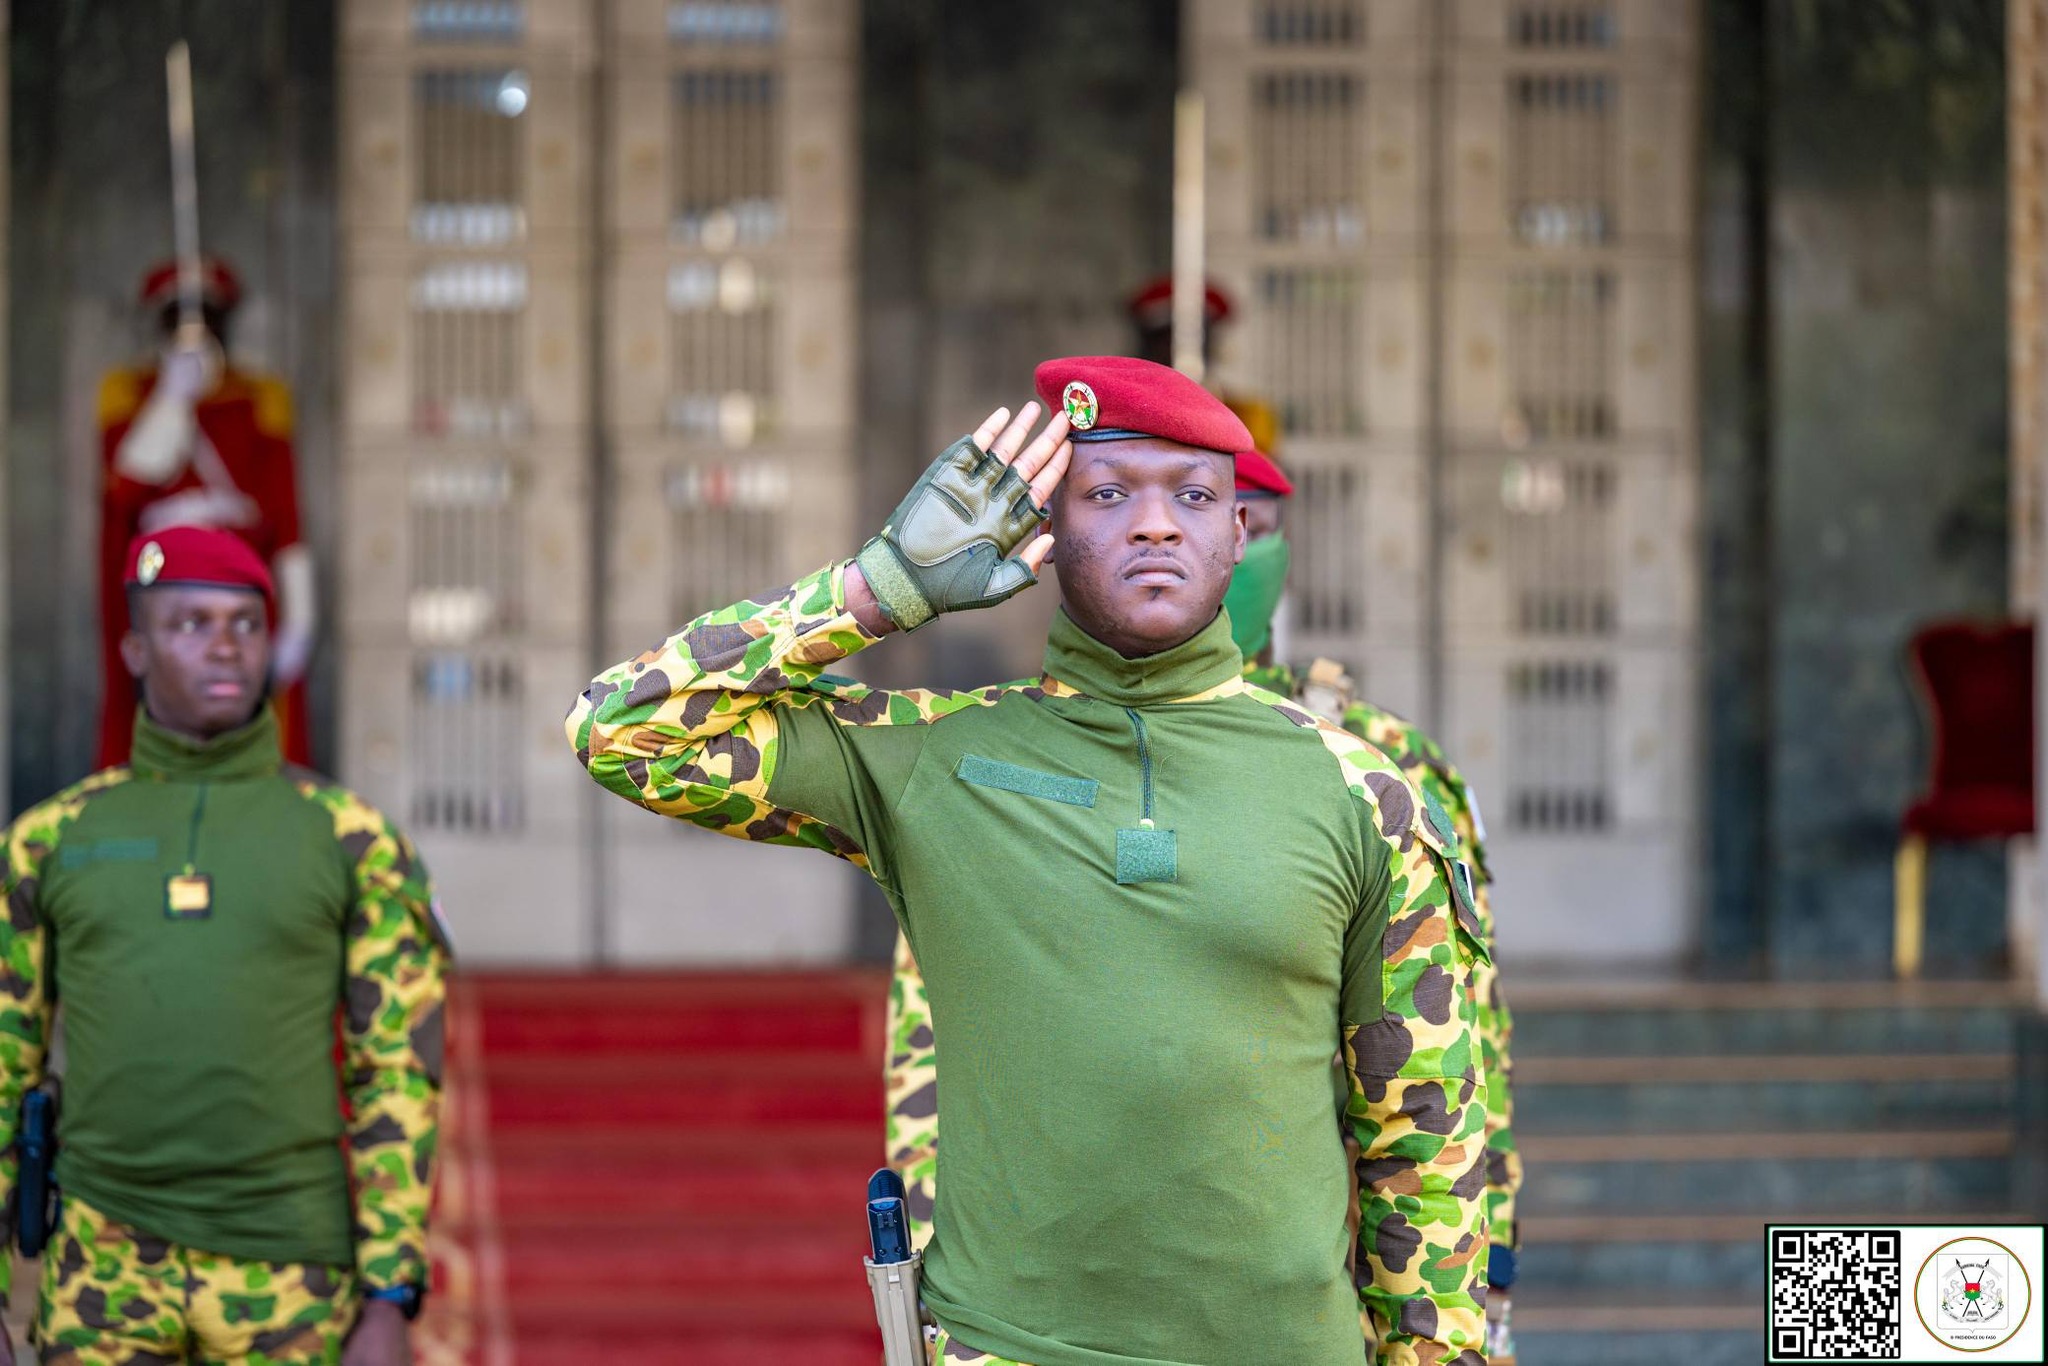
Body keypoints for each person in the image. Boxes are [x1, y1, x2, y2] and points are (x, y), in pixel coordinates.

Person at [570, 357, 1489, 1364]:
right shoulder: (938, 757)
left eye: (1191, 495)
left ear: (1237, 532)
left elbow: (1424, 1147)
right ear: (1040, 532)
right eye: (1105, 494)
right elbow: (625, 730)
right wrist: (878, 589)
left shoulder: (1364, 795)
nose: (1152, 524)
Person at [885, 444, 1526, 1361]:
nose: (1156, 530)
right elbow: (936, 1029)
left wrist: (1479, 1275)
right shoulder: (1004, 753)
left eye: (1226, 515)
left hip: (1305, 1281)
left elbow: (1454, 1065)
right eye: (1115, 498)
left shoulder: (1369, 767)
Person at [0, 527, 447, 1365]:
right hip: (104, 1277)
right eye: (191, 623)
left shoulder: (352, 840)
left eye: (246, 624)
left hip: (291, 1274)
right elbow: (3, 1060)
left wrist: (389, 1296)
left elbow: (397, 1066)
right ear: (134, 647)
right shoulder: (50, 841)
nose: (225, 647)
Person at [97, 256, 318, 768]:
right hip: (163, 578)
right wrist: (172, 399)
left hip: (237, 578)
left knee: (240, 705)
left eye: (207, 317)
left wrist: (301, 615)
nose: (194, 331)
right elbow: (125, 488)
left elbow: (284, 516)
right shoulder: (127, 392)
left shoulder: (261, 396)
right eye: (178, 316)